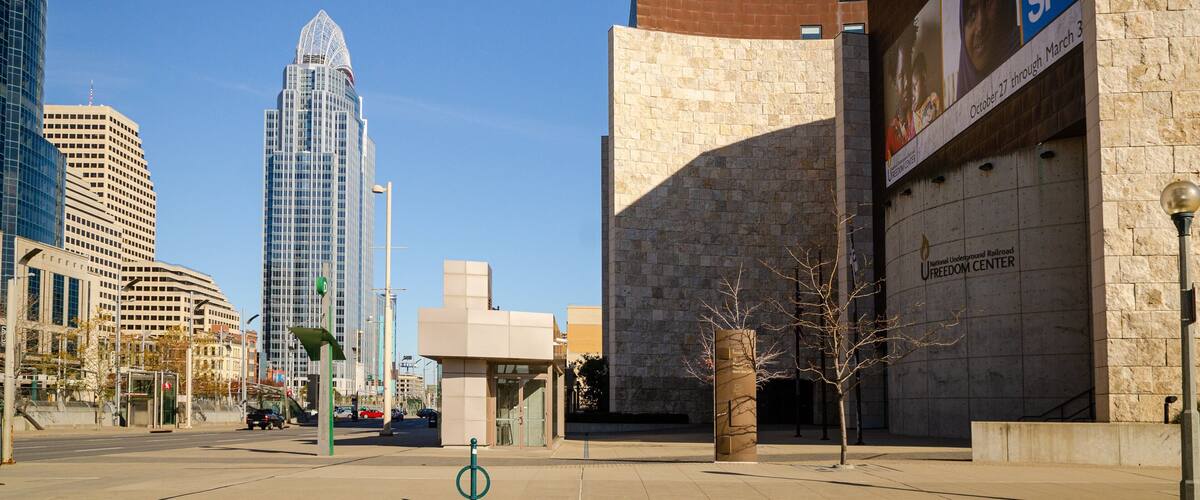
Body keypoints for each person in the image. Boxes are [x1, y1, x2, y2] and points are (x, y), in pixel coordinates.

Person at [957, 0, 1020, 100]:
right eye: (971, 14)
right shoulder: (962, 104)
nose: (980, 27)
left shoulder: (1029, 46)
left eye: (988, 4)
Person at [885, 47, 914, 162]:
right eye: (901, 76)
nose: (907, 82)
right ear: (894, 84)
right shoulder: (891, 133)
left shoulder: (925, 111)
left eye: (909, 73)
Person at [910, 52, 942, 132]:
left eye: (914, 86)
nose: (912, 94)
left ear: (923, 77)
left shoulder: (932, 100)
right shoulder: (913, 114)